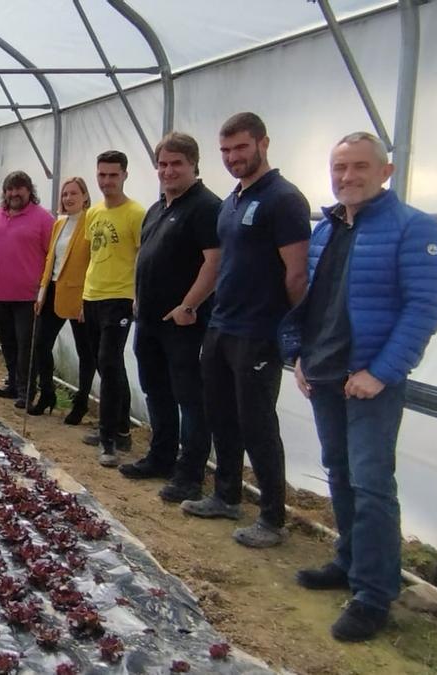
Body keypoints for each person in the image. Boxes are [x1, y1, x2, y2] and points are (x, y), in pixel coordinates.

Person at [281, 132, 437, 642]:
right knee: (339, 470)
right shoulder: (330, 228)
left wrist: (381, 371)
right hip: (327, 373)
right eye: (339, 168)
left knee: (373, 483)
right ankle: (349, 562)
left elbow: (423, 311)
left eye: (359, 167)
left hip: (370, 380)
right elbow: (314, 300)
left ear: (385, 172)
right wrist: (300, 355)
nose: (347, 177)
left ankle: (375, 593)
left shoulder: (413, 230)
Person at [181, 112, 310, 549]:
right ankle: (226, 495)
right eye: (226, 150)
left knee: (257, 423)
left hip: (258, 330)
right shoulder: (232, 201)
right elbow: (222, 264)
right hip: (221, 324)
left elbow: (296, 275)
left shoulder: (284, 199)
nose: (233, 157)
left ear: (263, 143)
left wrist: (296, 337)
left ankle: (272, 518)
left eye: (241, 147)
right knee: (220, 414)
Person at [118, 133, 222, 505]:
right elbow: (145, 256)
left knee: (189, 398)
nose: (168, 170)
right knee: (156, 390)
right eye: (162, 164)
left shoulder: (206, 207)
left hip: (184, 324)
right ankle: (160, 457)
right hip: (148, 319)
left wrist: (189, 305)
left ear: (194, 165)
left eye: (176, 163)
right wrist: (137, 298)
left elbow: (215, 261)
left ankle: (189, 475)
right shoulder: (158, 207)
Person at [81, 150, 145, 468]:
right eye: (102, 175)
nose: (107, 181)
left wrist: (138, 296)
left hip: (120, 298)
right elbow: (92, 255)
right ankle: (120, 429)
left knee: (108, 361)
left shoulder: (136, 214)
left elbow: (144, 259)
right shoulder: (92, 213)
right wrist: (83, 296)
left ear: (124, 175)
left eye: (113, 175)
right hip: (92, 296)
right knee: (107, 364)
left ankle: (108, 440)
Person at [0, 171, 55, 407]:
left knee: (26, 345)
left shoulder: (43, 219)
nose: (13, 194)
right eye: (9, 189)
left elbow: (52, 257)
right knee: (7, 342)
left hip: (28, 296)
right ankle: (12, 382)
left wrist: (45, 290)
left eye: (19, 189)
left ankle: (27, 390)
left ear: (29, 191)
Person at [30, 177, 94, 422]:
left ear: (85, 197)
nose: (68, 198)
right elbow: (51, 261)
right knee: (41, 344)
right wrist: (42, 292)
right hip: (54, 291)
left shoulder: (90, 221)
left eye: (74, 194)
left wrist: (87, 300)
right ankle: (47, 393)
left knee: (85, 352)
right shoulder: (59, 224)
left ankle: (81, 402)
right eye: (65, 194)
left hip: (80, 296)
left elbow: (92, 262)